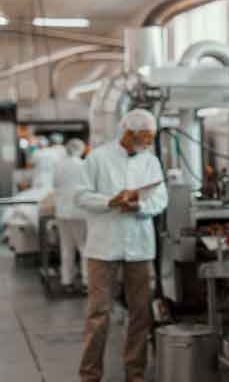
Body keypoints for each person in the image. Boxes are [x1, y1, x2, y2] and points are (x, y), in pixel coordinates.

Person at [75, 109, 168, 382]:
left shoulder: (151, 161)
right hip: (103, 248)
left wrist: (140, 204)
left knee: (141, 312)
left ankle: (135, 372)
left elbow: (160, 199)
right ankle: (90, 375)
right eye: (146, 137)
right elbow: (79, 196)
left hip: (139, 248)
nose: (150, 143)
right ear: (130, 133)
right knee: (98, 314)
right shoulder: (98, 158)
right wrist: (110, 202)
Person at [53, 138, 88, 292]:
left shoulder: (59, 165)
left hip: (61, 211)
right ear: (80, 149)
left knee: (66, 247)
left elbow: (55, 184)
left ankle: (66, 282)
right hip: (78, 212)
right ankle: (87, 282)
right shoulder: (83, 165)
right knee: (84, 247)